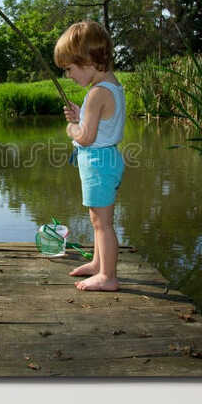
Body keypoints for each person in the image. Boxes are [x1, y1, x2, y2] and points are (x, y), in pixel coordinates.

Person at [54, 20, 126, 292]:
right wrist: (81, 115)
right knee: (99, 220)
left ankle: (108, 276)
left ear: (89, 61)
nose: (68, 76)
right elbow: (100, 125)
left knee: (102, 224)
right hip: (106, 161)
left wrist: (72, 127)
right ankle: (98, 264)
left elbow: (86, 137)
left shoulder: (97, 94)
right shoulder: (111, 86)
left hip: (98, 164)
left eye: (70, 69)